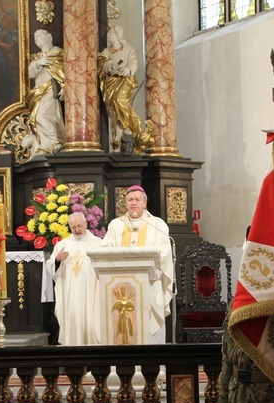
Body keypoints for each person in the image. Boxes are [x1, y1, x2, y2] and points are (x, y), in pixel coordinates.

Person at [101, 185, 173, 344]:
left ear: (144, 203)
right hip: (120, 285)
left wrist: (158, 268)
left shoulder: (157, 224)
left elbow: (164, 250)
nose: (133, 203)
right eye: (130, 200)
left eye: (137, 200)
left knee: (150, 320)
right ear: (125, 203)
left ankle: (153, 362)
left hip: (150, 281)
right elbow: (105, 249)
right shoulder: (116, 225)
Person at [45, 212, 103, 346]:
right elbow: (51, 266)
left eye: (79, 226)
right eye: (73, 227)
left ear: (86, 224)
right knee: (73, 321)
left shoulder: (99, 244)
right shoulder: (62, 245)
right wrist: (57, 260)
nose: (77, 230)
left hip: (91, 292)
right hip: (70, 294)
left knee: (91, 321)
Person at [97, 25, 153, 154]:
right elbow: (103, 65)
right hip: (111, 82)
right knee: (113, 109)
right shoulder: (106, 52)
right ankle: (120, 134)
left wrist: (128, 69)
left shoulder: (128, 49)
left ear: (117, 35)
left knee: (119, 101)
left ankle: (130, 126)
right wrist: (112, 65)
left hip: (125, 80)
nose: (108, 35)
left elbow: (133, 63)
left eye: (110, 33)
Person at [23, 29, 65, 158]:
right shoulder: (37, 57)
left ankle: (55, 142)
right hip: (38, 91)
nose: (37, 40)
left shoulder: (58, 53)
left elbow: (67, 71)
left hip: (51, 90)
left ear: (48, 37)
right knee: (36, 117)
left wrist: (65, 86)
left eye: (39, 37)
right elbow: (31, 73)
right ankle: (44, 144)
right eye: (35, 38)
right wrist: (38, 63)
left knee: (42, 117)